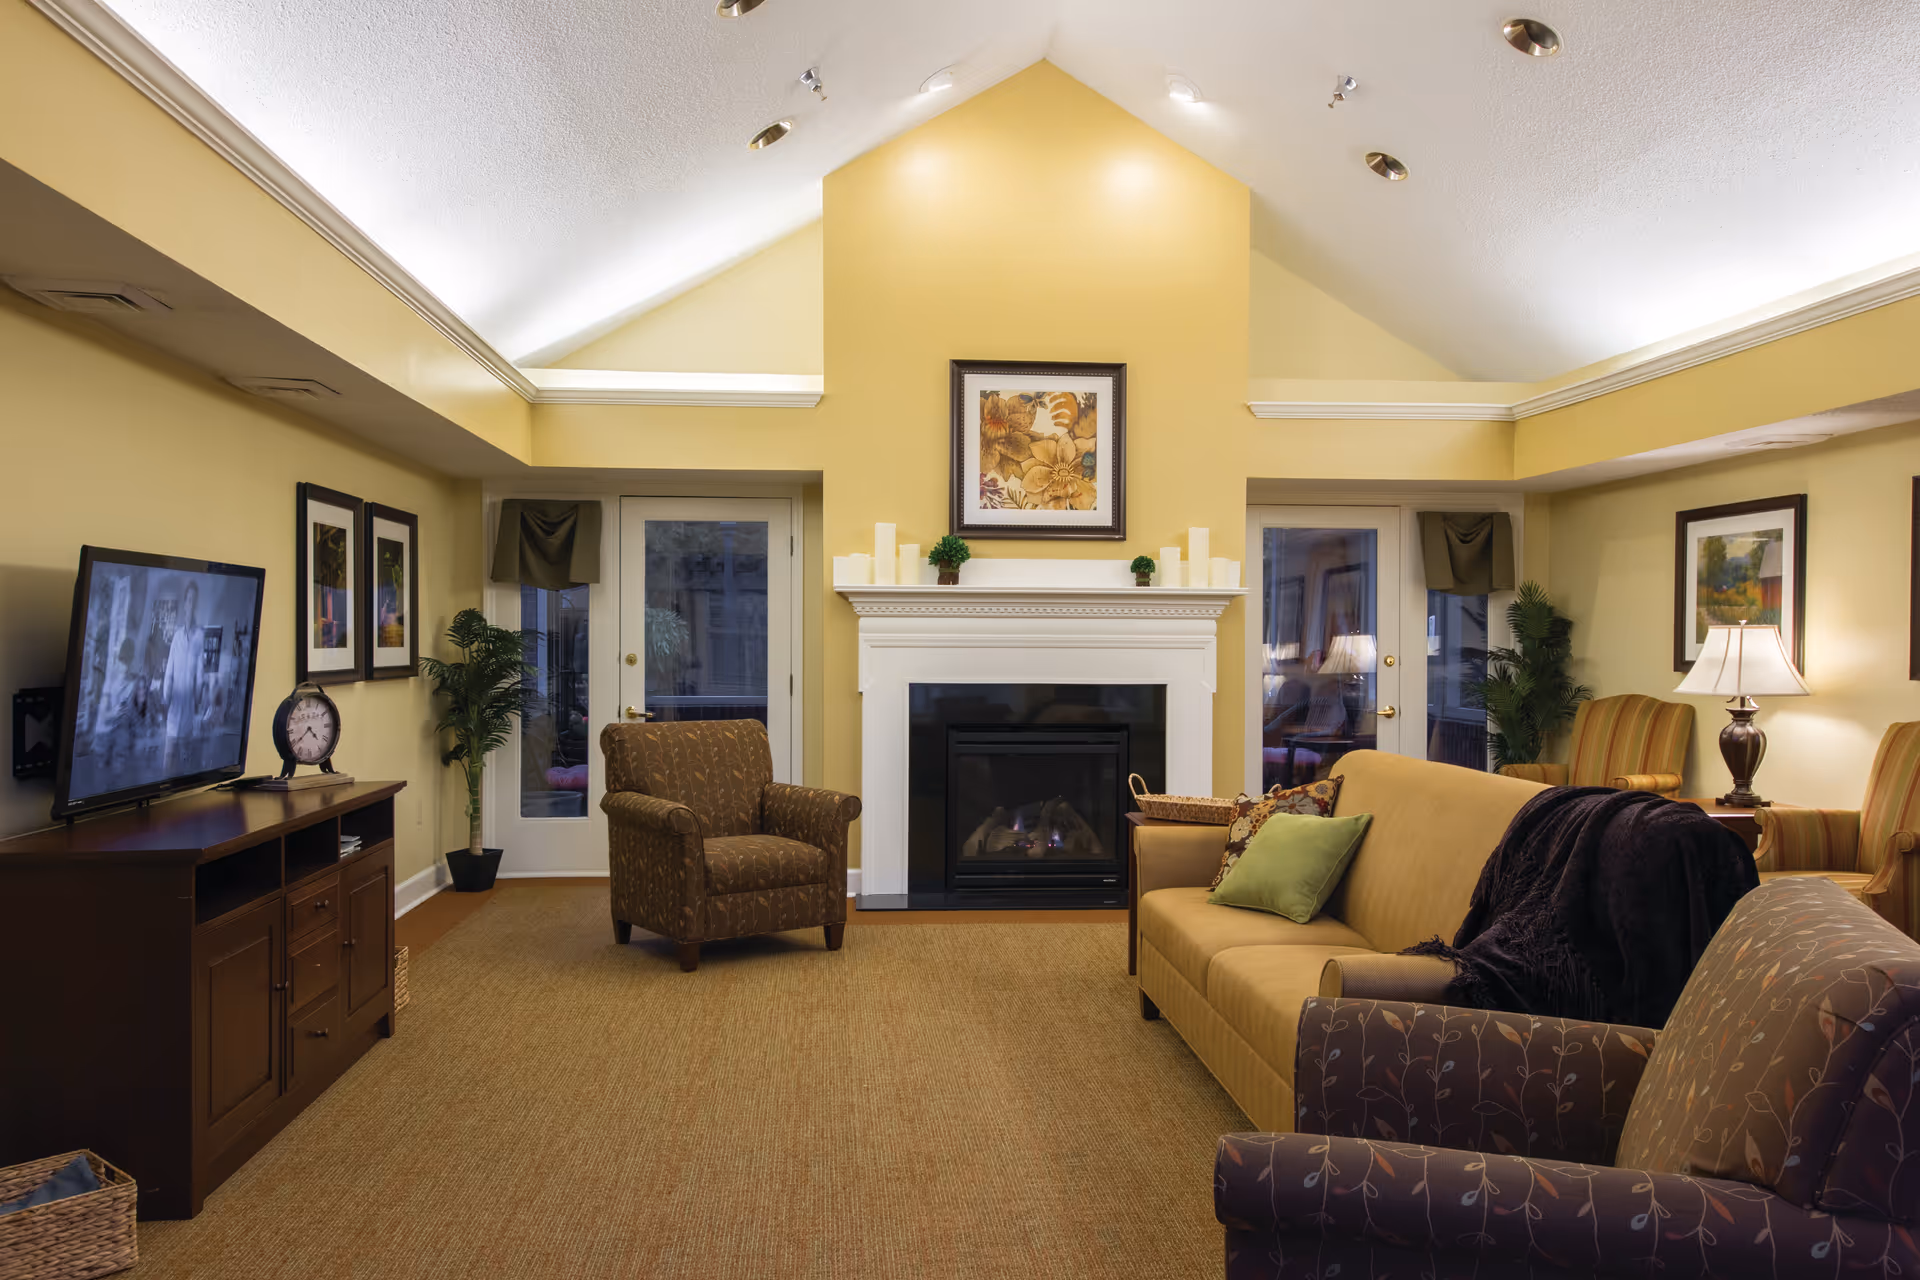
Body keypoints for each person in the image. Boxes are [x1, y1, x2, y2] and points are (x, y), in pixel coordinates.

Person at [162, 582, 203, 774]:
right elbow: (169, 671)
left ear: (196, 605)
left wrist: (197, 704)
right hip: (173, 708)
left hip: (189, 710)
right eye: (189, 599)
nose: (191, 603)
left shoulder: (199, 636)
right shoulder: (177, 636)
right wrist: (165, 700)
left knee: (186, 762)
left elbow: (200, 676)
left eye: (195, 600)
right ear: (185, 603)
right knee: (169, 757)